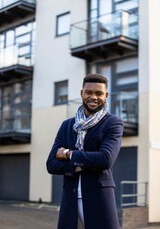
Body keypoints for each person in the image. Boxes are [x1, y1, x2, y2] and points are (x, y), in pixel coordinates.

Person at [46, 74, 124, 229]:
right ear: (82, 93)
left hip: (99, 200)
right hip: (70, 201)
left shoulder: (113, 123)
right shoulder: (67, 125)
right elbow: (51, 164)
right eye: (89, 92)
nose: (93, 97)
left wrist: (69, 154)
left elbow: (105, 160)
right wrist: (85, 164)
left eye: (99, 93)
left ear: (106, 95)